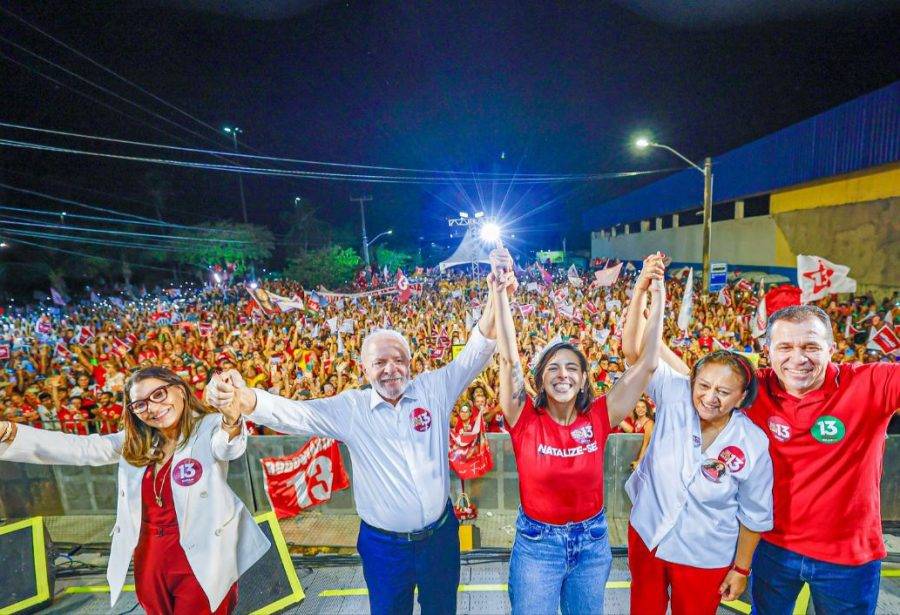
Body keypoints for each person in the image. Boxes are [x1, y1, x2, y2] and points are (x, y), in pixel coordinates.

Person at [204, 290, 499, 615]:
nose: (391, 369)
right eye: (380, 362)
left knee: (442, 610)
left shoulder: (434, 389)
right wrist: (246, 400)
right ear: (364, 368)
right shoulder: (351, 408)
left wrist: (497, 293)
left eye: (399, 360)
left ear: (410, 363)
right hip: (385, 548)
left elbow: (478, 349)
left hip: (440, 539)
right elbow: (296, 414)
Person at [0, 366, 269, 614]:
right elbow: (81, 449)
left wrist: (232, 418)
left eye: (159, 394)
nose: (153, 408)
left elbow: (228, 446)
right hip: (149, 553)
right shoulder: (135, 441)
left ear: (180, 390)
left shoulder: (209, 426)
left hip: (202, 553)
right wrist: (10, 433)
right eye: (141, 404)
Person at [489, 248, 664, 615]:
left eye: (571, 368)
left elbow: (648, 364)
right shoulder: (524, 418)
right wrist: (501, 292)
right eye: (553, 368)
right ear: (540, 380)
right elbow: (508, 357)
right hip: (538, 546)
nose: (562, 374)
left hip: (593, 542)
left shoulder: (600, 415)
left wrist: (651, 291)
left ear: (584, 379)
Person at [622, 254, 774, 615]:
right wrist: (642, 288)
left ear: (742, 397)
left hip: (705, 555)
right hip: (649, 537)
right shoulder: (674, 394)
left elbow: (754, 514)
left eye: (723, 391)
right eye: (703, 385)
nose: (709, 397)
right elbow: (633, 351)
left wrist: (740, 568)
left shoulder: (752, 442)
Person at [744, 305, 900, 615]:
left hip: (849, 560)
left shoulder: (871, 383)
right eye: (785, 347)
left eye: (811, 346)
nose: (798, 358)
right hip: (771, 548)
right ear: (768, 351)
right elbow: (685, 380)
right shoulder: (752, 388)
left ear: (831, 348)